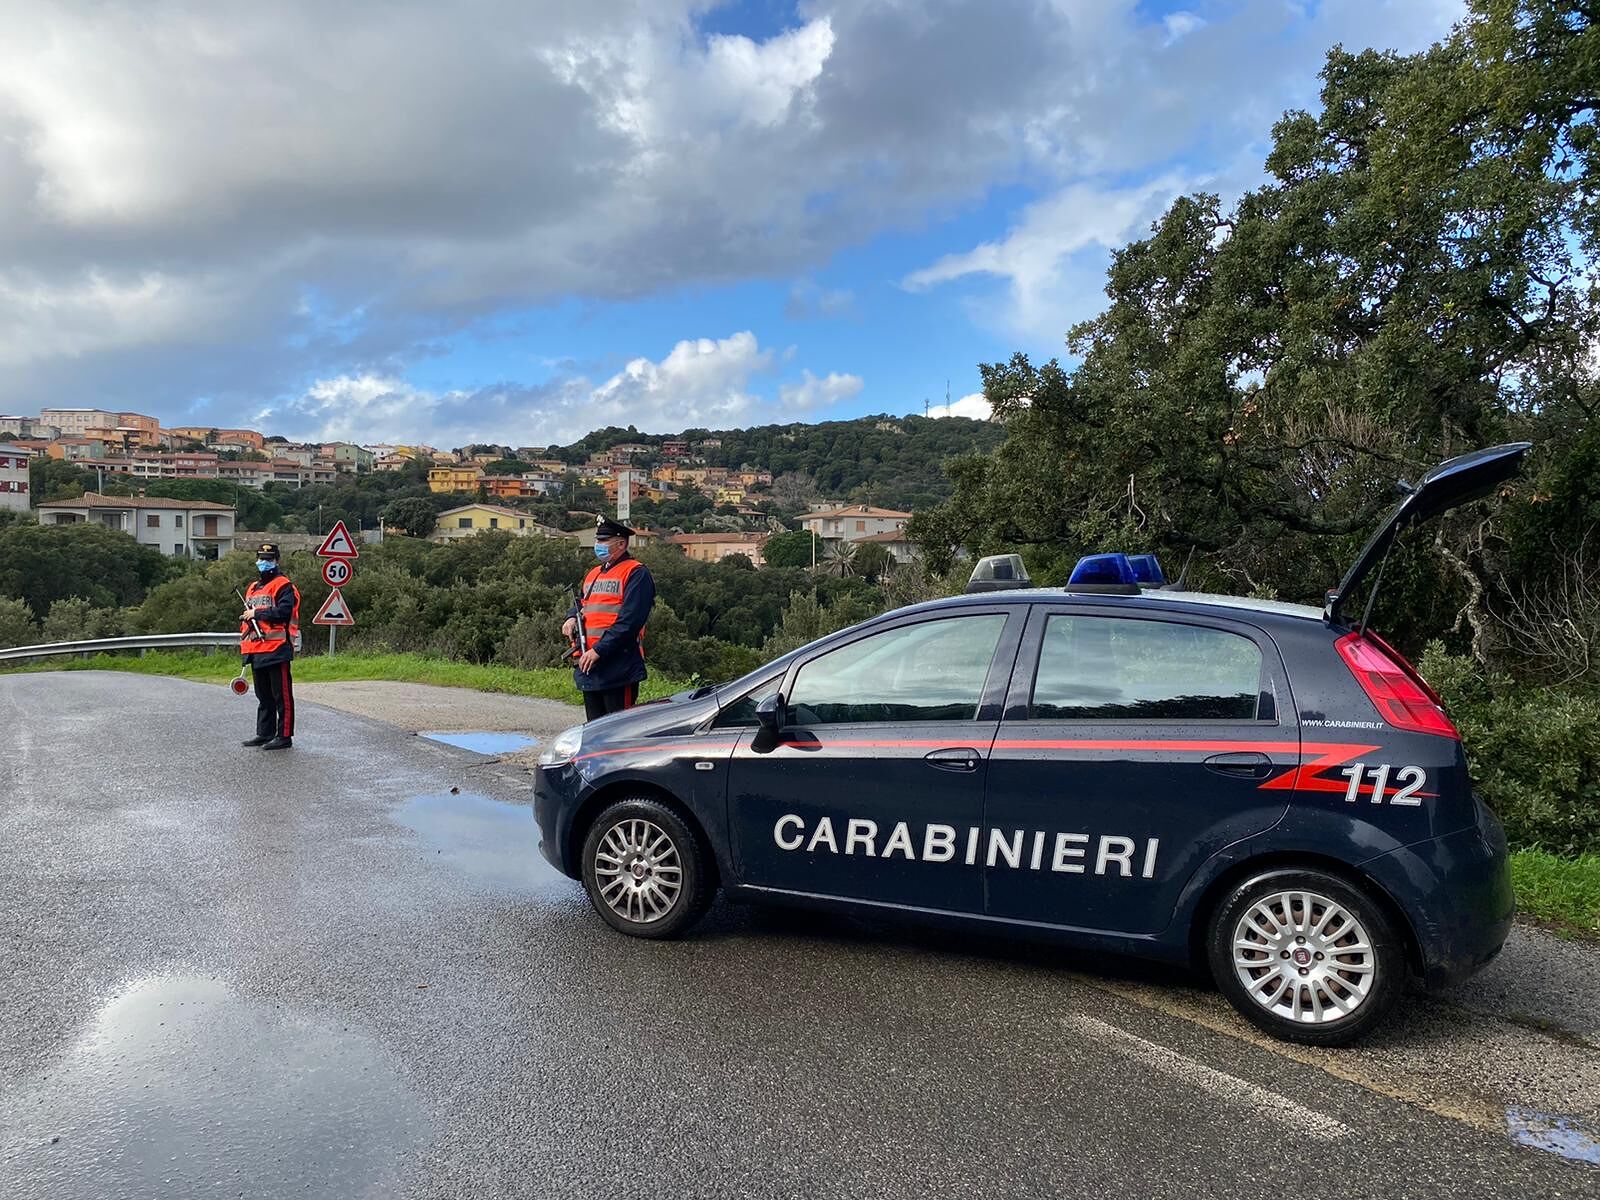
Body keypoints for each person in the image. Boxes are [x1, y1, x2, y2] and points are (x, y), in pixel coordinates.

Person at [563, 515, 655, 721]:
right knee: (595, 731)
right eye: (598, 540)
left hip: (618, 665)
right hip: (590, 664)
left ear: (621, 544)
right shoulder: (593, 573)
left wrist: (599, 650)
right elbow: (582, 603)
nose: (598, 545)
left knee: (618, 732)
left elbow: (630, 622)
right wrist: (570, 617)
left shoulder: (636, 573)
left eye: (604, 541)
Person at [239, 542, 301, 750]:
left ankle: (284, 736)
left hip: (277, 648)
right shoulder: (253, 587)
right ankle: (264, 734)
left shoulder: (284, 585)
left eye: (268, 559)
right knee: (263, 696)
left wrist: (258, 613)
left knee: (281, 695)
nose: (263, 563)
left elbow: (284, 613)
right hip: (256, 649)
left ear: (276, 560)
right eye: (261, 559)